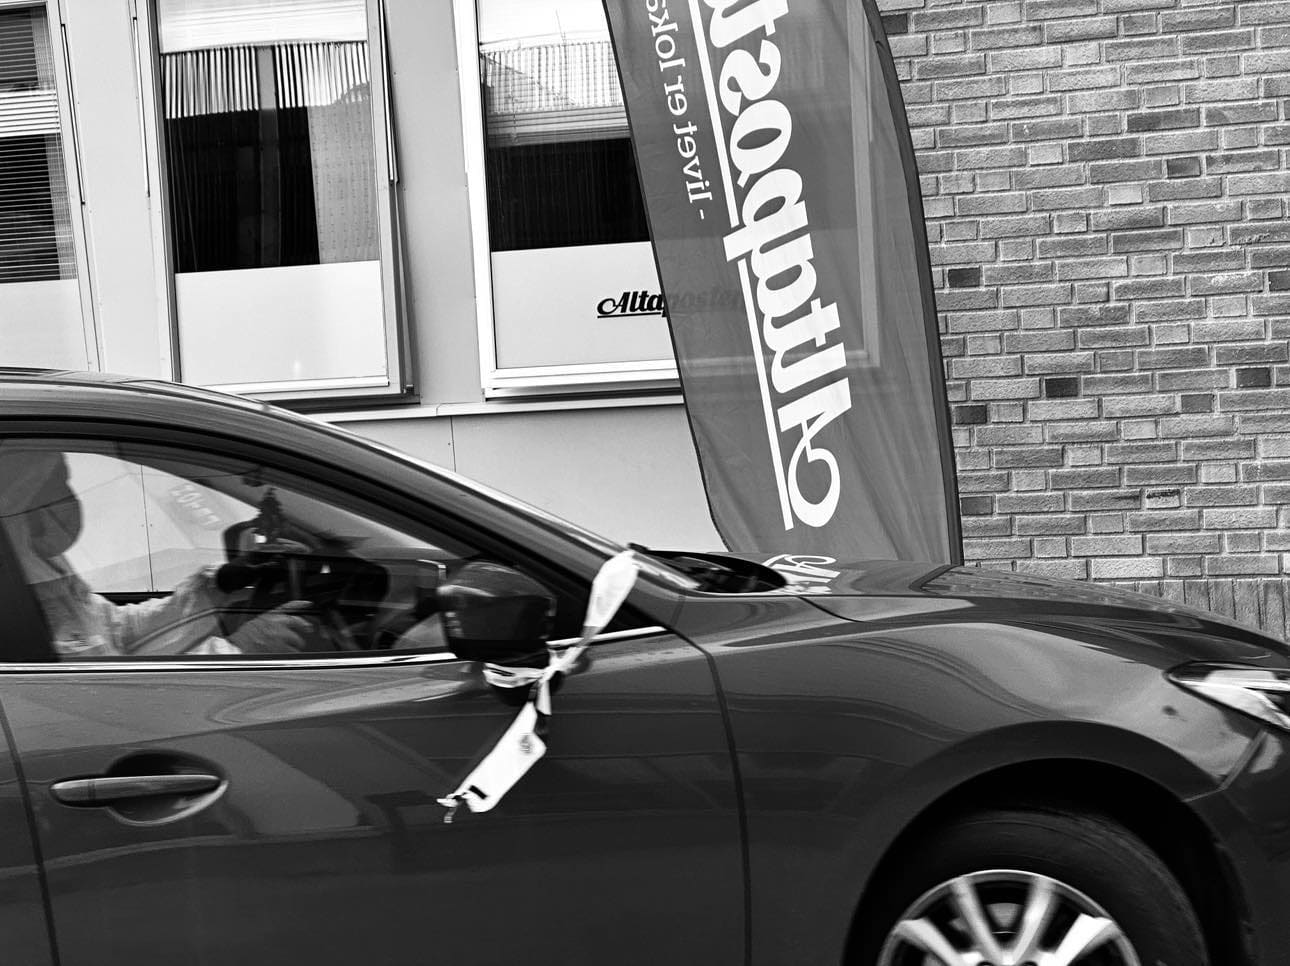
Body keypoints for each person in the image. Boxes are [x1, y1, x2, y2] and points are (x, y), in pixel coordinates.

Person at [0, 446, 315, 658]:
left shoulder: (36, 558)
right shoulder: (13, 592)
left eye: (66, 482)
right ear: (22, 499)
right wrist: (240, 650)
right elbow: (116, 700)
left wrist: (217, 584)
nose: (69, 499)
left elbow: (118, 631)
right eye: (54, 487)